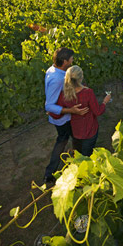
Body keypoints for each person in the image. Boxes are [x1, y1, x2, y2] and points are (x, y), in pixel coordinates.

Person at [43, 48, 88, 184]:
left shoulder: (52, 70)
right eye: (71, 59)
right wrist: (71, 111)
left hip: (59, 117)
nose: (72, 61)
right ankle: (76, 167)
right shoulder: (57, 79)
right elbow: (49, 105)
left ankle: (55, 170)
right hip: (62, 118)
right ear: (64, 61)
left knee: (68, 138)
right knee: (71, 139)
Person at [59, 65, 111, 157]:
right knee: (87, 156)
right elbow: (98, 112)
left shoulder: (65, 93)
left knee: (78, 154)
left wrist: (71, 110)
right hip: (89, 130)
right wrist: (105, 102)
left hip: (76, 130)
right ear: (81, 78)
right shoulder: (88, 92)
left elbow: (60, 109)